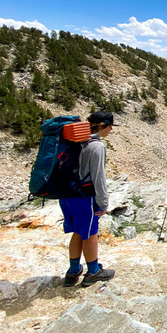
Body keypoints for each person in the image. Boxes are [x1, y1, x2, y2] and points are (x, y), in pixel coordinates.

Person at [61, 111, 118, 287]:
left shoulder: (76, 141)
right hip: (84, 196)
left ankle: (73, 270)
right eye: (109, 126)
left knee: (78, 231)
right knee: (90, 233)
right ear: (102, 126)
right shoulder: (97, 147)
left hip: (67, 194)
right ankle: (93, 271)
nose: (110, 130)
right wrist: (104, 202)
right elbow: (98, 176)